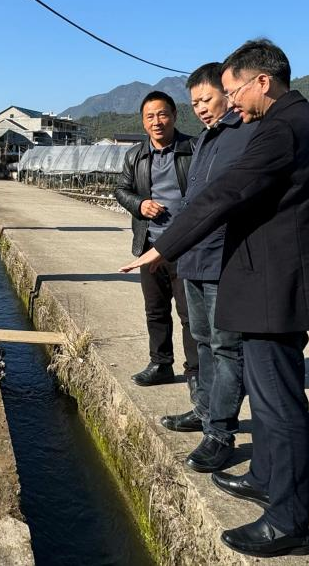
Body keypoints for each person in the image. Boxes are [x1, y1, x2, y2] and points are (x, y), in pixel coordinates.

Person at [121, 39, 309, 557]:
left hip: (275, 284)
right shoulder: (300, 121)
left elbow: (225, 193)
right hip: (271, 280)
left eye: (233, 91)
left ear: (261, 81)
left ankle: (287, 520)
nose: (230, 102)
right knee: (268, 400)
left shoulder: (281, 128)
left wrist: (161, 251)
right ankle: (266, 475)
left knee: (279, 403)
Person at [158, 62, 258, 477]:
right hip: (194, 258)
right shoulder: (206, 140)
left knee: (226, 347)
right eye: (194, 101)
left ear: (229, 93)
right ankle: (203, 412)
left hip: (225, 260)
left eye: (206, 99)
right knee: (201, 339)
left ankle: (221, 434)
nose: (200, 108)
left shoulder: (246, 134)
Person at [114, 91, 199, 393]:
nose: (157, 122)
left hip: (187, 248)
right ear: (143, 121)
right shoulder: (134, 155)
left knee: (191, 315)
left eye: (162, 114)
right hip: (150, 246)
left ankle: (196, 375)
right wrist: (140, 204)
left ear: (175, 115)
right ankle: (161, 364)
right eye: (150, 116)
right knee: (155, 310)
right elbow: (121, 189)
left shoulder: (194, 149)